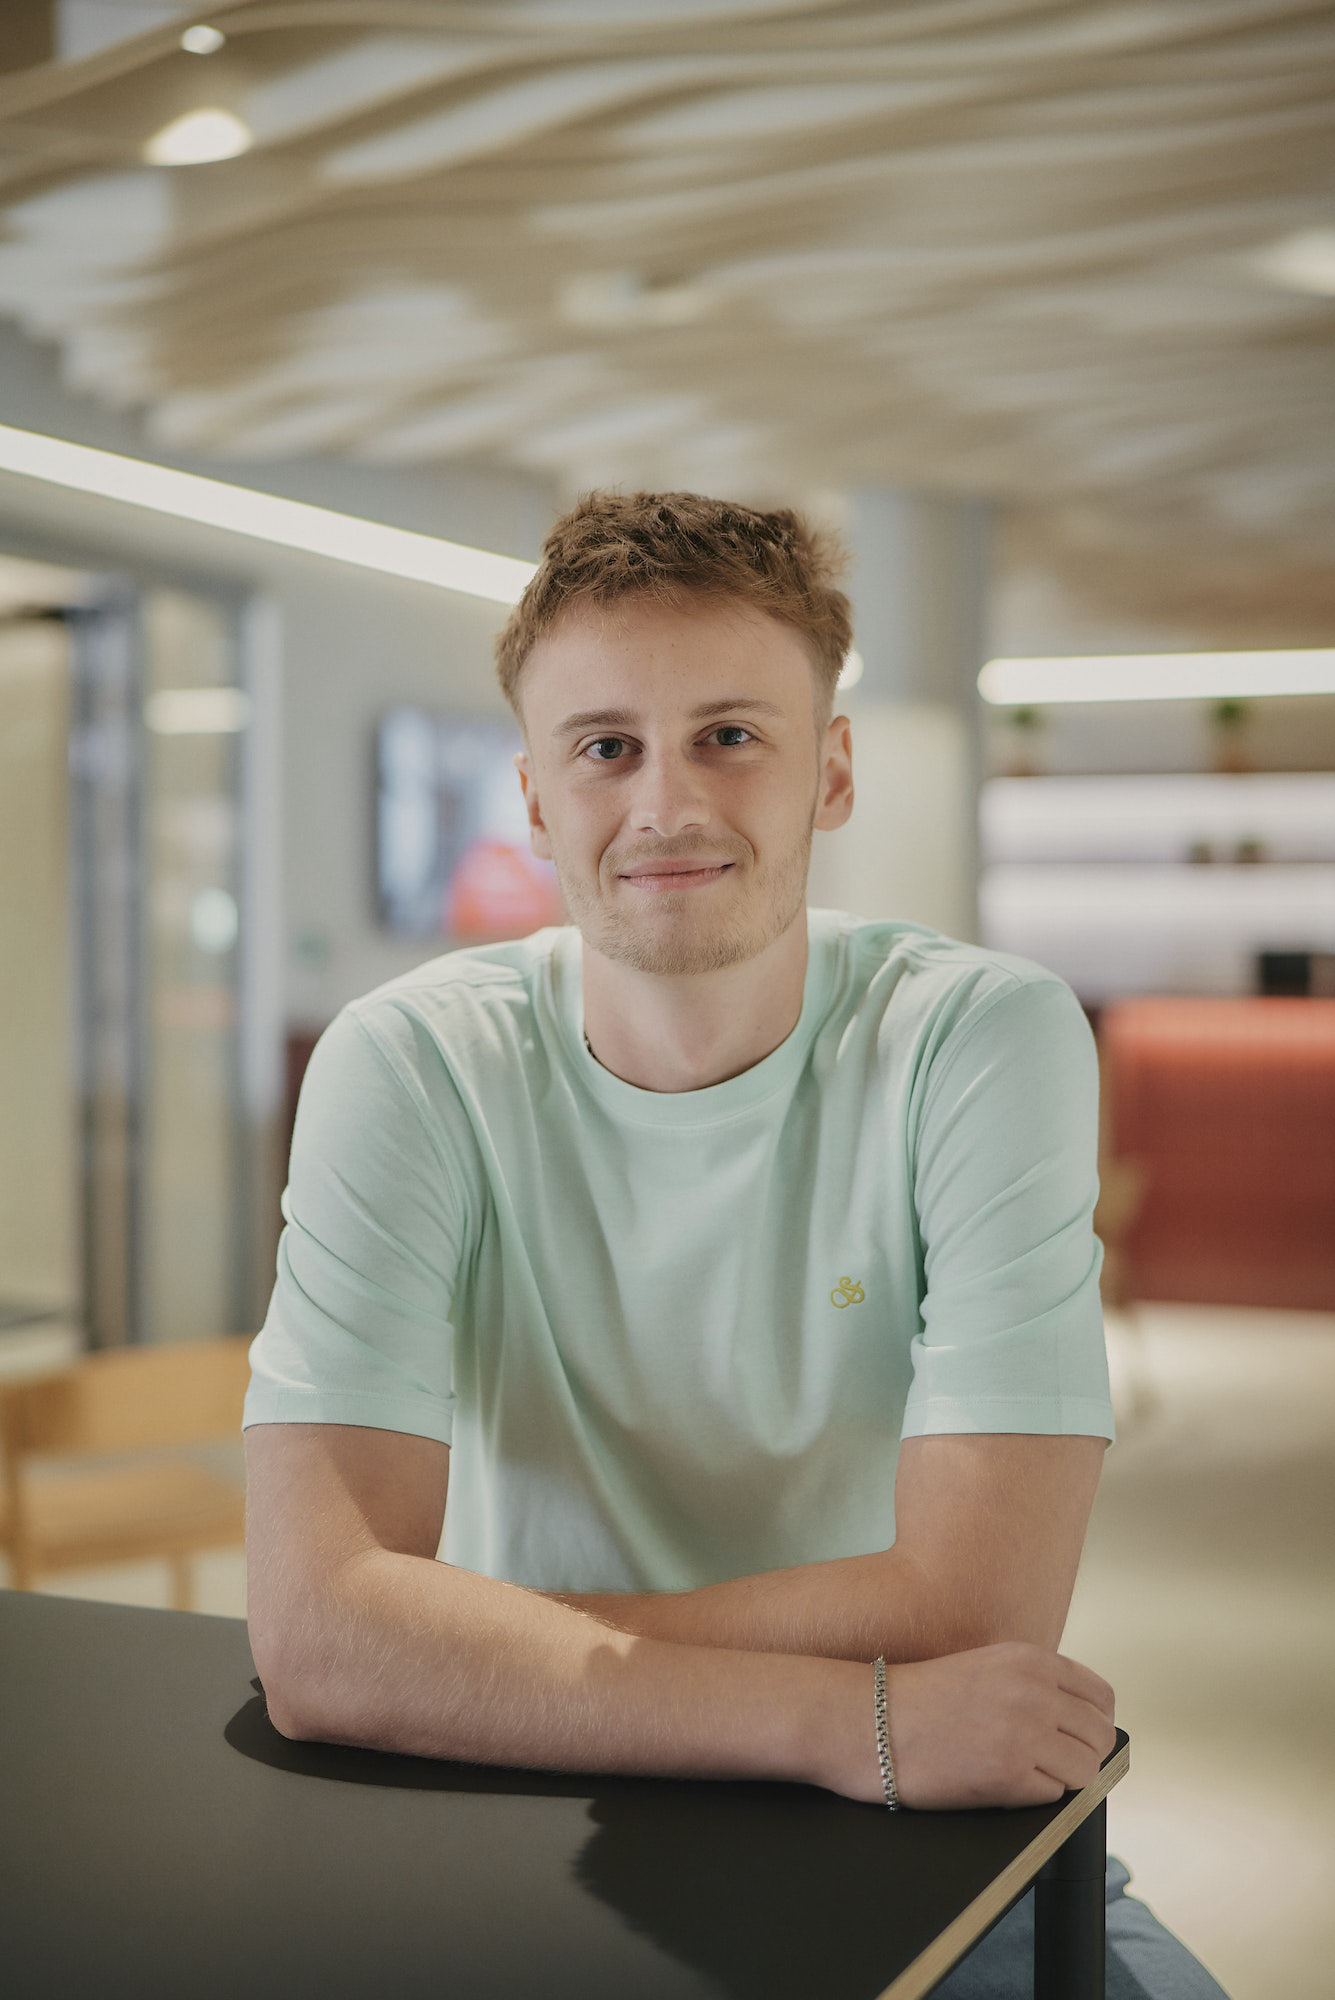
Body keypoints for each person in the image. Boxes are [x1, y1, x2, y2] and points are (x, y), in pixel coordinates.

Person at [243, 491, 1228, 1997]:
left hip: (912, 1823)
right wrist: (843, 1716)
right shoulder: (411, 1063)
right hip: (557, 1798)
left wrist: (461, 1644)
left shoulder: (976, 1038)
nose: (665, 805)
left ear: (830, 771)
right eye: (605, 747)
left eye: (729, 735)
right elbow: (320, 1643)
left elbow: (978, 1610)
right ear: (534, 798)